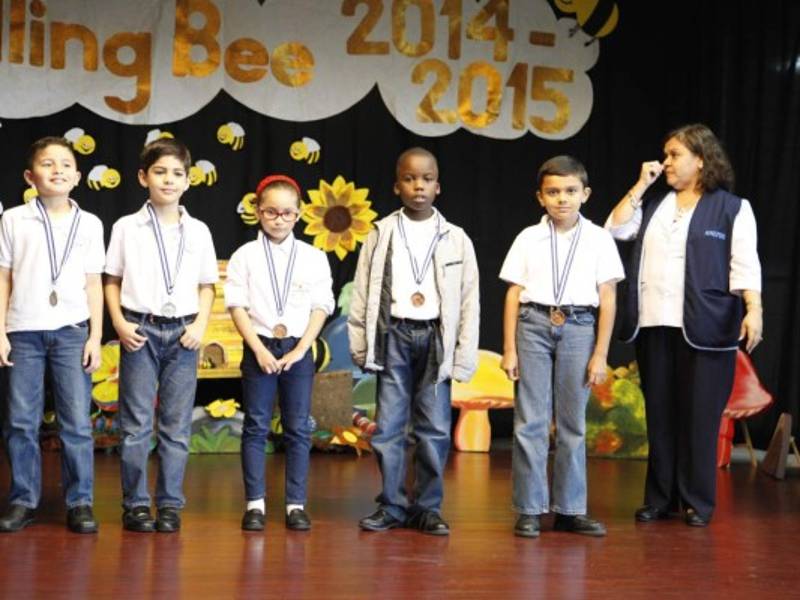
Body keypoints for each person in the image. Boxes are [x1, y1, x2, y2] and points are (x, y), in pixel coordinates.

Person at [606, 123, 762, 527]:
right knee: (660, 415)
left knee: (699, 418)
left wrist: (754, 309)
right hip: (654, 323)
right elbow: (615, 229)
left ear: (702, 159)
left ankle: (697, 502)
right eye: (666, 155)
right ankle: (660, 498)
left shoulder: (732, 208)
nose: (666, 162)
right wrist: (640, 185)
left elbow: (745, 264)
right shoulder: (655, 203)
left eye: (675, 155)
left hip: (706, 326)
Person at [349, 147, 479, 536]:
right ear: (396, 186)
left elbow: (470, 299)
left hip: (436, 336)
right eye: (409, 179)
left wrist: (464, 353)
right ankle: (391, 505)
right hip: (394, 334)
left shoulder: (456, 238)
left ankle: (427, 508)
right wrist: (360, 344)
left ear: (438, 186)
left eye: (426, 179)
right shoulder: (380, 233)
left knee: (434, 427)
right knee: (389, 425)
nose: (418, 186)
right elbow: (362, 292)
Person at [500, 155, 624, 538]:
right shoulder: (528, 237)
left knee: (573, 423)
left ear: (585, 193)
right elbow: (513, 293)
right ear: (540, 197)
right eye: (553, 192)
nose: (562, 199)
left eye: (570, 191)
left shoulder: (599, 239)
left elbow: (608, 297)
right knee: (530, 421)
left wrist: (600, 353)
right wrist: (509, 349)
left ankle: (570, 509)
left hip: (579, 326)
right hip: (533, 324)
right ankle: (530, 508)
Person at [104, 138, 218, 533]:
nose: (168, 180)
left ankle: (169, 505)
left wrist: (199, 326)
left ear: (188, 181)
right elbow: (111, 280)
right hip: (139, 329)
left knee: (176, 425)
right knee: (135, 424)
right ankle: (136, 505)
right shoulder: (126, 227)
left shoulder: (199, 231)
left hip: (183, 332)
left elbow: (207, 286)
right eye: (160, 172)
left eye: (177, 173)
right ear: (143, 177)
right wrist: (119, 323)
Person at [0, 136, 104, 534]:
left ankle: (80, 502)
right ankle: (23, 499)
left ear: (77, 176)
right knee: (20, 421)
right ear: (31, 176)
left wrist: (95, 336)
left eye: (65, 164)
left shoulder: (90, 223)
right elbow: (4, 278)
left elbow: (93, 283)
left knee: (76, 421)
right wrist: (1, 331)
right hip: (23, 331)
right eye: (47, 163)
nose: (57, 170)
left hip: (72, 331)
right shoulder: (14, 219)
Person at [225, 174, 333, 532]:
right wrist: (258, 349)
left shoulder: (313, 257)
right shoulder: (245, 256)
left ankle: (295, 505)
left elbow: (321, 306)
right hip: (260, 347)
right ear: (258, 211)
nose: (279, 219)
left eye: (287, 213)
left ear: (298, 214)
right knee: (256, 425)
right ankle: (255, 504)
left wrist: (302, 349)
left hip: (297, 349)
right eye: (271, 212)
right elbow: (237, 306)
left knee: (298, 427)